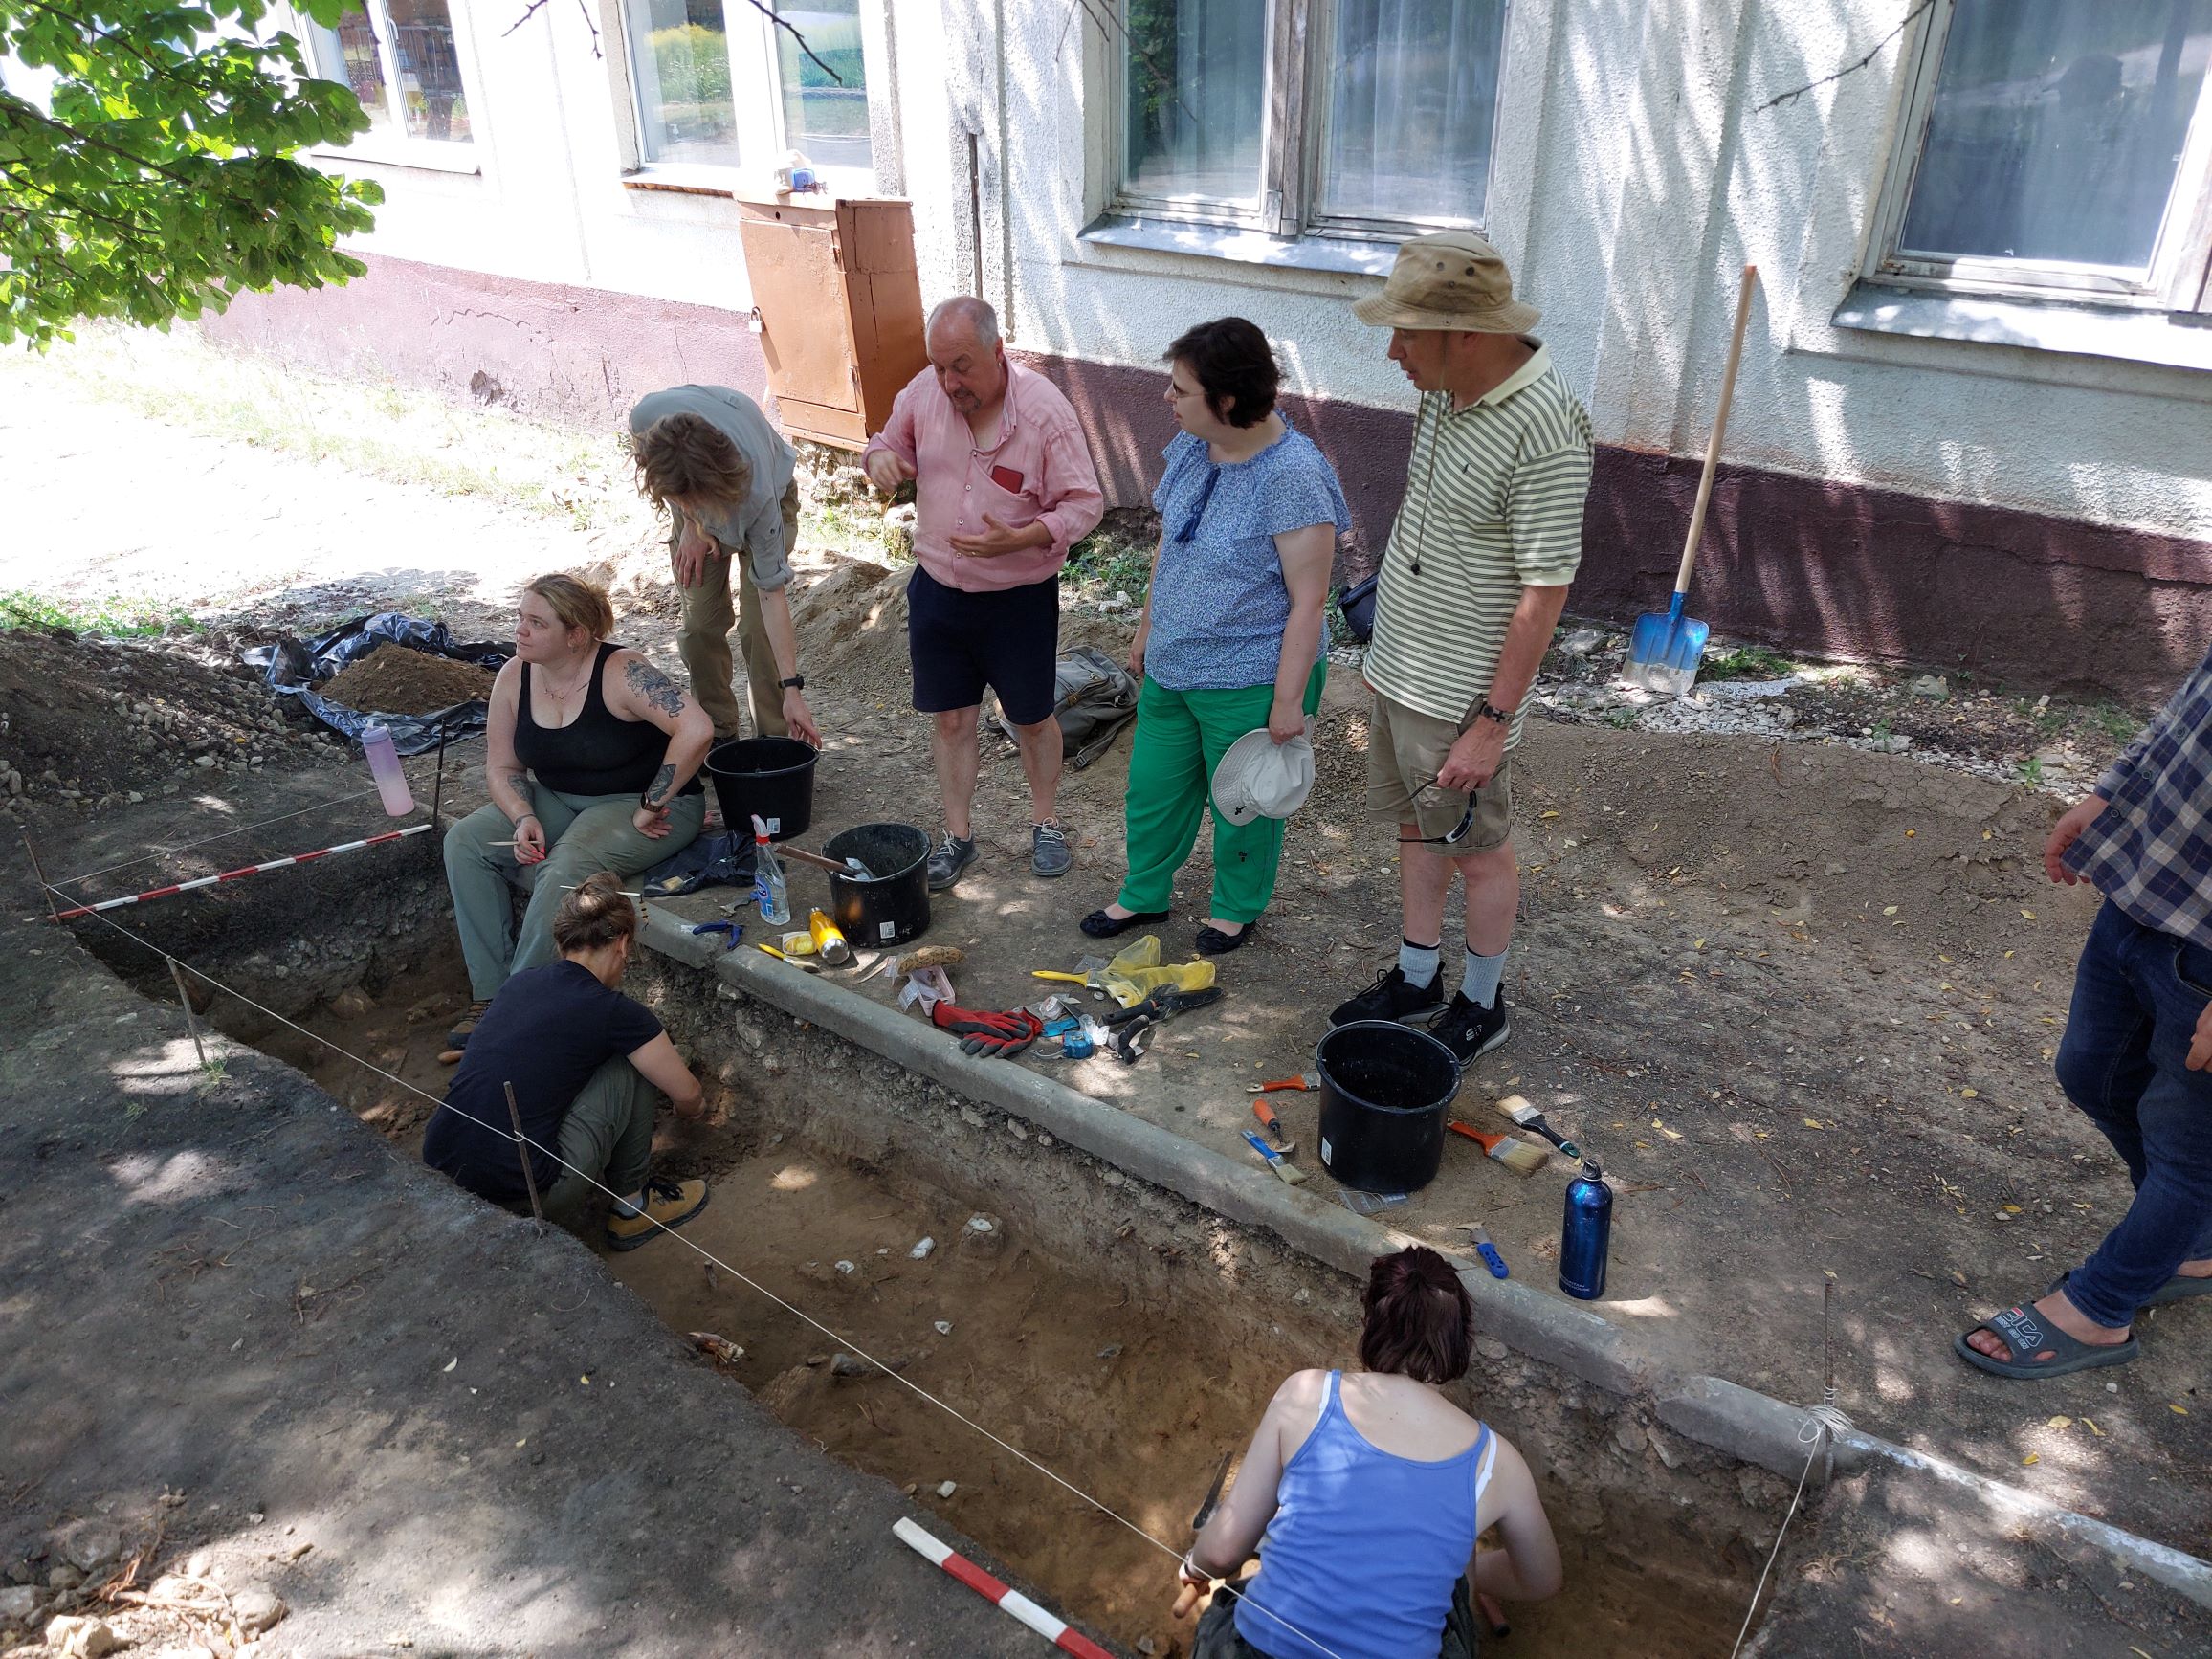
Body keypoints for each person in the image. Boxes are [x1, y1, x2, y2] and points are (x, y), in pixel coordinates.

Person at [1327, 231, 1593, 1067]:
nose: (1395, 351)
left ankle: (1482, 1004)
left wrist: (1492, 721)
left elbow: (1543, 593)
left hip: (1460, 698)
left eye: (1407, 333)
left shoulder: (1548, 429)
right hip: (1402, 668)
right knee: (1415, 827)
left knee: (1478, 851)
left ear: (1466, 334)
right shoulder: (1445, 389)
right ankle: (1417, 976)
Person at [1958, 645, 2212, 1378]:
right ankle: (2193, 1245)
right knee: (2090, 1074)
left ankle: (2102, 1308)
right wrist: (2110, 793)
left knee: (2189, 1151)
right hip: (2142, 893)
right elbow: (2188, 713)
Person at [1082, 318, 1347, 956]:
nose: (1166, 400)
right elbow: (1170, 545)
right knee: (1152, 788)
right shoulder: (1192, 449)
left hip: (1249, 674)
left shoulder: (1293, 476)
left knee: (1244, 804)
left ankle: (1235, 908)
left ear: (1226, 400)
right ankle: (1144, 893)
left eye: (1180, 390)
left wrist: (1288, 701)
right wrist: (1147, 626)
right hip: (1174, 663)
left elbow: (1310, 601)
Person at [1172, 1247, 1562, 1659]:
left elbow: (1222, 1552)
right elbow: (1540, 1579)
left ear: (1370, 1323)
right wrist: (1439, 1574)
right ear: (1459, 1338)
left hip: (1258, 1650)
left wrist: (1195, 1565)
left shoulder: (1308, 1394)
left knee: (1235, 1606)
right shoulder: (1497, 1462)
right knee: (1460, 1562)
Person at [860, 297, 1105, 891]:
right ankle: (958, 837)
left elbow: (1084, 503)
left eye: (962, 367)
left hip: (1017, 599)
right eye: (940, 366)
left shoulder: (1046, 413)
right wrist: (883, 461)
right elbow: (883, 445)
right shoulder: (924, 392)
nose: (949, 383)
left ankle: (1046, 824)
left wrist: (1024, 537)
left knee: (1032, 718)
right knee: (950, 720)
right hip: (938, 591)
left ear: (998, 353)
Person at [442, 573, 712, 1047]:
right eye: (520, 618)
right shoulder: (514, 675)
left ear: (576, 635)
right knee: (464, 841)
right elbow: (502, 766)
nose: (520, 631)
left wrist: (654, 799)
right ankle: (489, 994)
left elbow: (697, 729)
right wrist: (522, 814)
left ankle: (515, 1010)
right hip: (560, 797)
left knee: (564, 866)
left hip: (646, 808)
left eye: (536, 623)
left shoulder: (622, 670)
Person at [423, 873, 713, 1249]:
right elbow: (687, 1093)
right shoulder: (616, 1013)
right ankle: (633, 1207)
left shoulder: (518, 984)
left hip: (442, 1171)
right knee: (634, 1064)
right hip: (523, 1190)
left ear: (561, 945)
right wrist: (694, 1108)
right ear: (623, 944)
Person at [630, 384, 822, 749]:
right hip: (694, 509)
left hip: (760, 494)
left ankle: (774, 739)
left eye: (699, 501)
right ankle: (717, 731)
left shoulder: (759, 493)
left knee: (756, 629)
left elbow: (771, 595)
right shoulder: (646, 419)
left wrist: (793, 690)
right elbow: (667, 473)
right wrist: (690, 522)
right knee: (701, 621)